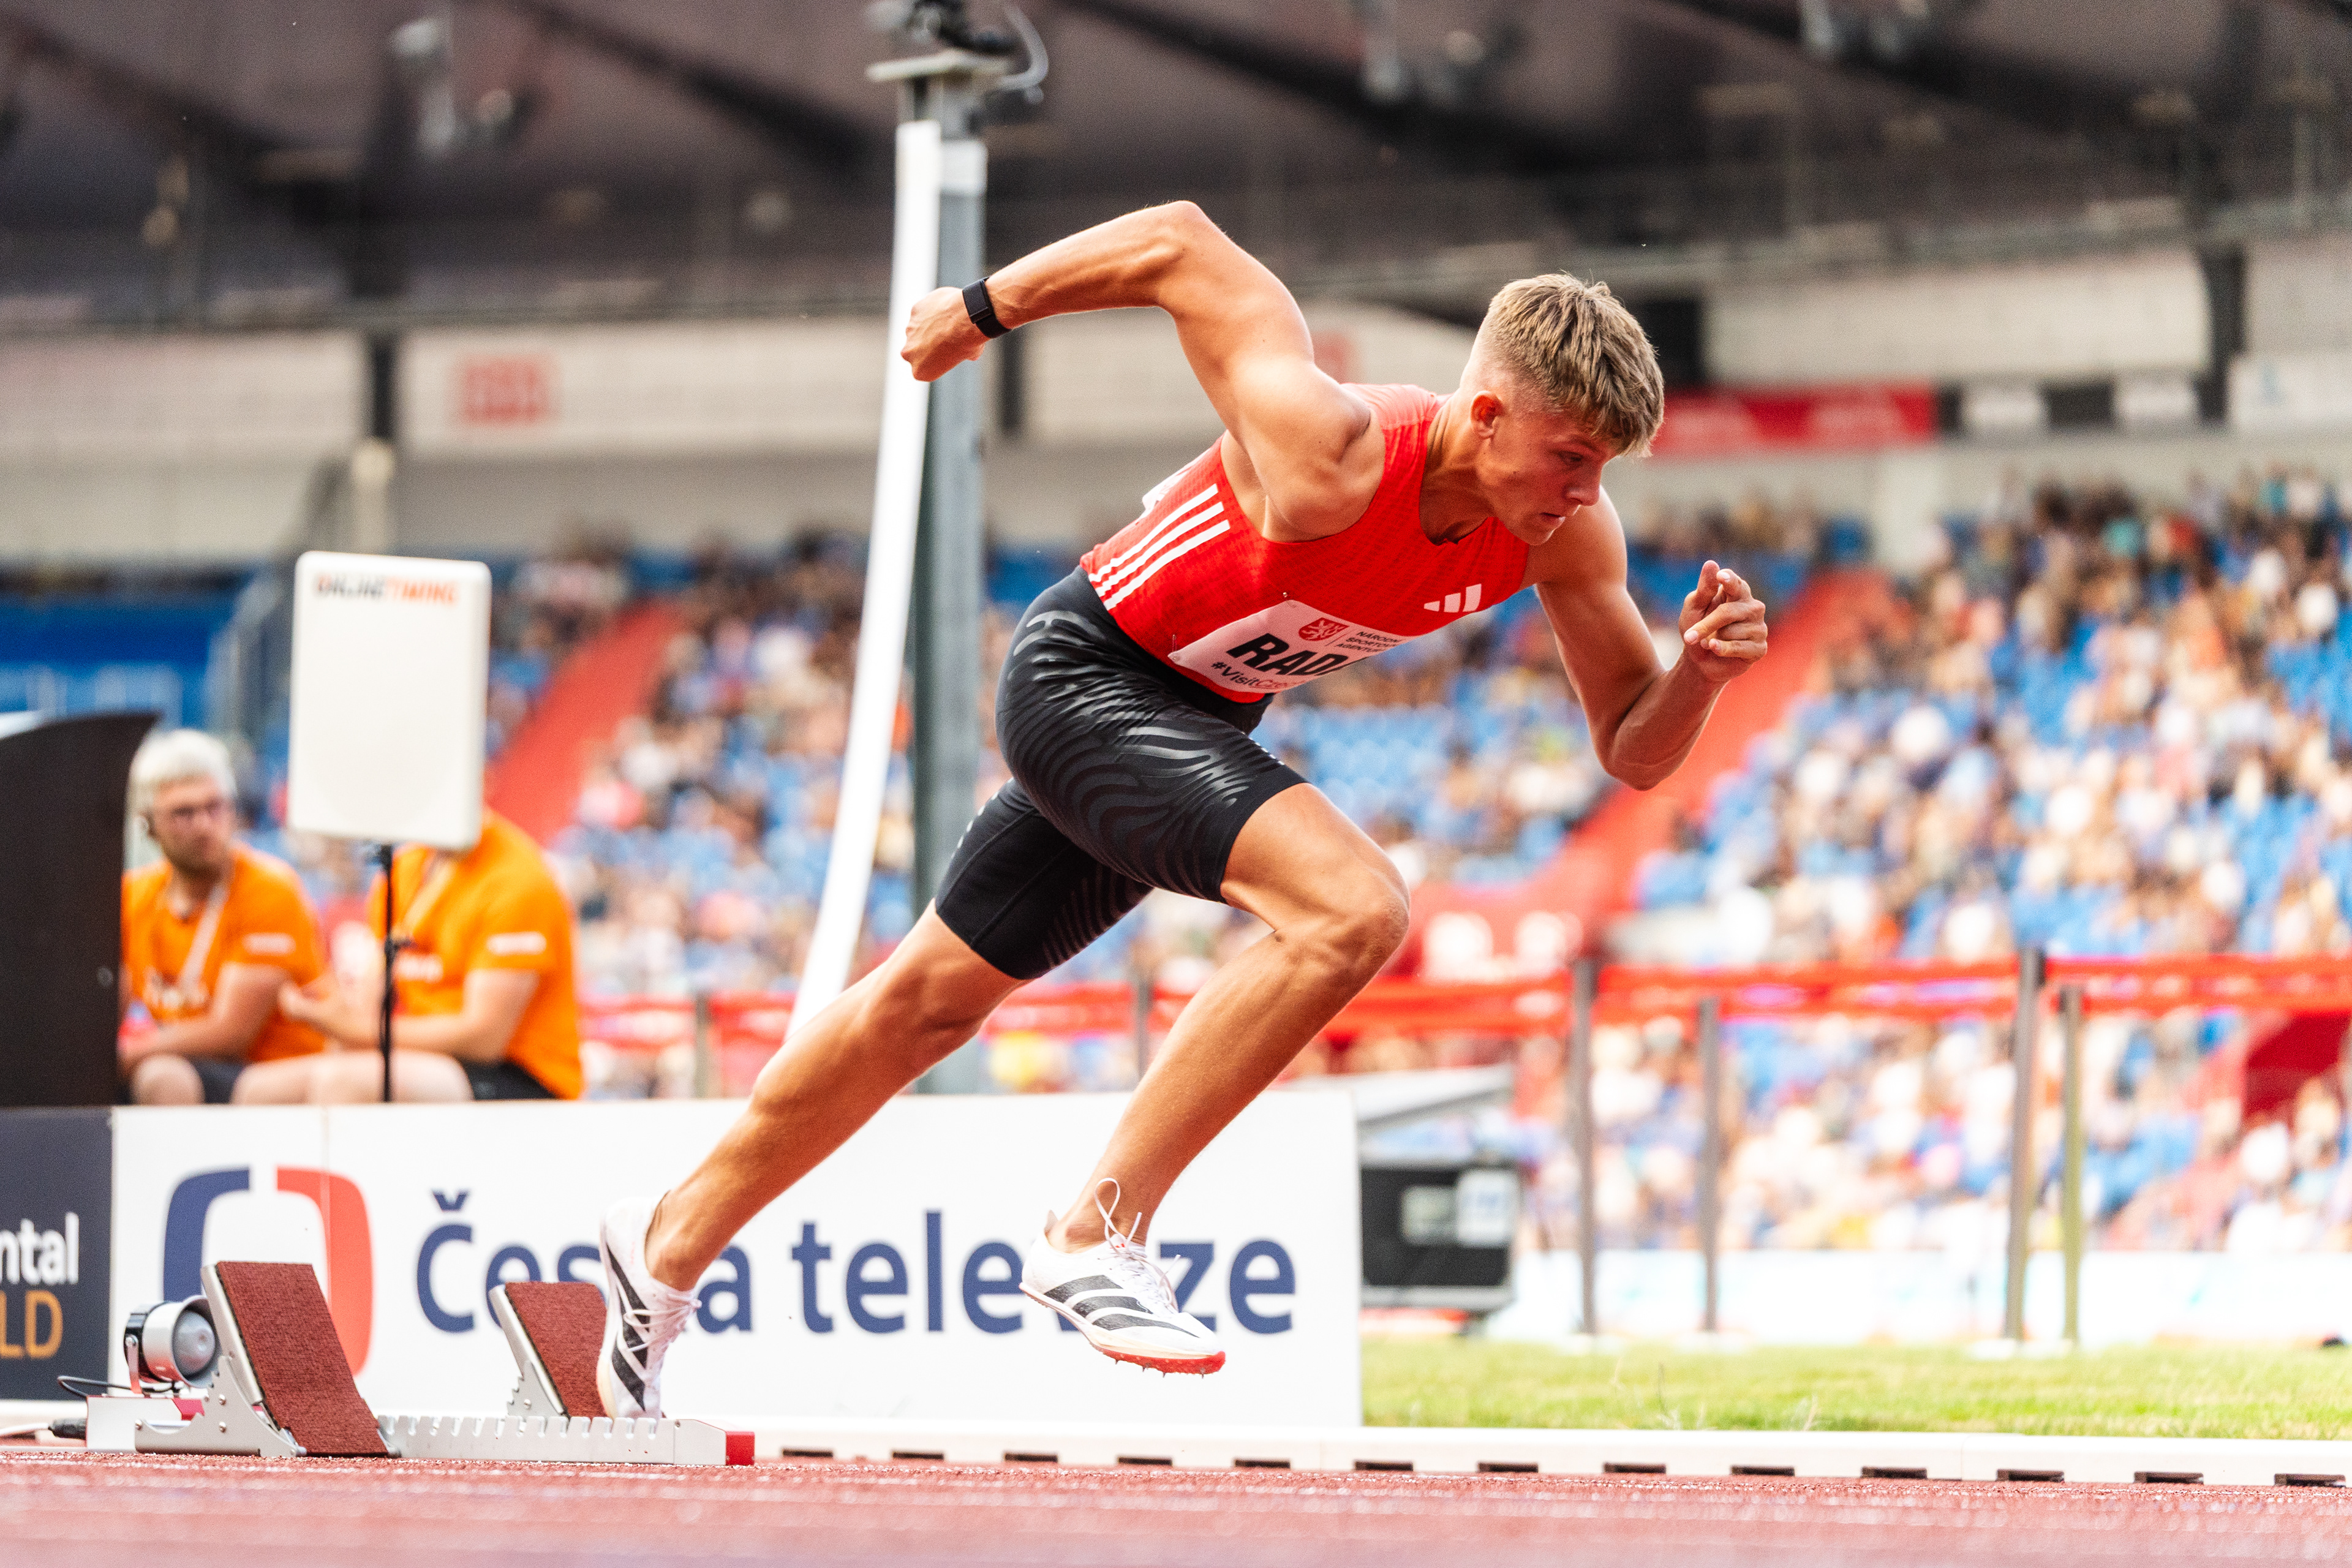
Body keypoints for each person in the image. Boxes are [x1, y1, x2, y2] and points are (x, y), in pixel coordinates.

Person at [594, 202, 1770, 1416]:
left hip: (1187, 725)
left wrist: (1700, 675)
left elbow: (1634, 747)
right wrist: (979, 308)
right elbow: (1183, 245)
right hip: (1080, 676)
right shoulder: (1330, 446)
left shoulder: (1560, 540)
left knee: (919, 1006)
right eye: (1571, 457)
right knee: (1355, 908)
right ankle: (1098, 1228)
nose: (1585, 493)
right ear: (1485, 412)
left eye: (1604, 471)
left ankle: (660, 1248)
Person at [251, 806, 582, 1102]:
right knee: (261, 1090)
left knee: (343, 1082)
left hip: (522, 1072)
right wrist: (334, 1013)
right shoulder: (405, 869)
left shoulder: (517, 881)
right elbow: (370, 996)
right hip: (433, 1056)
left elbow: (484, 1039)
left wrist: (352, 1029)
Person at [118, 729, 328, 1105]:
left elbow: (232, 1033)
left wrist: (130, 1053)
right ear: (148, 824)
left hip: (269, 1067)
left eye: (215, 807)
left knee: (161, 1075)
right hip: (194, 1059)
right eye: (183, 813)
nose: (203, 825)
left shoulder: (269, 888)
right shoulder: (133, 895)